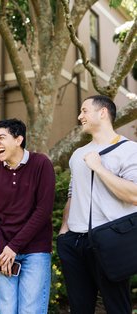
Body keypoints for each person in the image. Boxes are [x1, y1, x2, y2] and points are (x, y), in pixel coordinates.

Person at [57, 95, 137, 313]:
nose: (79, 116)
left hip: (111, 240)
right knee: (79, 308)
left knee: (117, 307)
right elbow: (73, 194)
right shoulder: (77, 154)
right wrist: (64, 231)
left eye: (84, 111)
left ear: (102, 113)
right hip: (74, 242)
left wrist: (99, 168)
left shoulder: (129, 150)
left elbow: (134, 196)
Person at [0, 118, 55, 313]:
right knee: (5, 309)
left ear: (18, 139)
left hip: (35, 251)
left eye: (2, 137)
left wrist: (13, 247)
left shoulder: (41, 164)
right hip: (4, 251)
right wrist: (2, 250)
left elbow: (43, 211)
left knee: (31, 310)